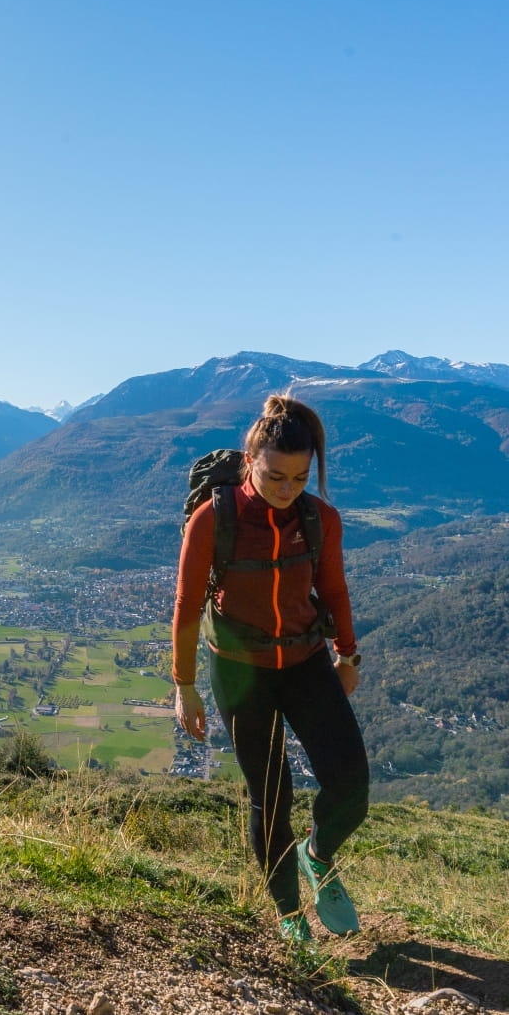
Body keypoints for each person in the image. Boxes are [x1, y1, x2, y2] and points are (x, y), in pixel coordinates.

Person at [171, 394, 367, 943]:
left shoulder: (320, 518)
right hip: (239, 672)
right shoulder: (215, 518)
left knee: (352, 784)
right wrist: (183, 685)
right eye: (276, 476)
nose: (287, 491)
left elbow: (333, 589)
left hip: (306, 663)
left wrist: (347, 655)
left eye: (300, 478)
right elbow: (187, 605)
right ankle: (287, 913)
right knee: (270, 798)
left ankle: (318, 854)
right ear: (250, 460)